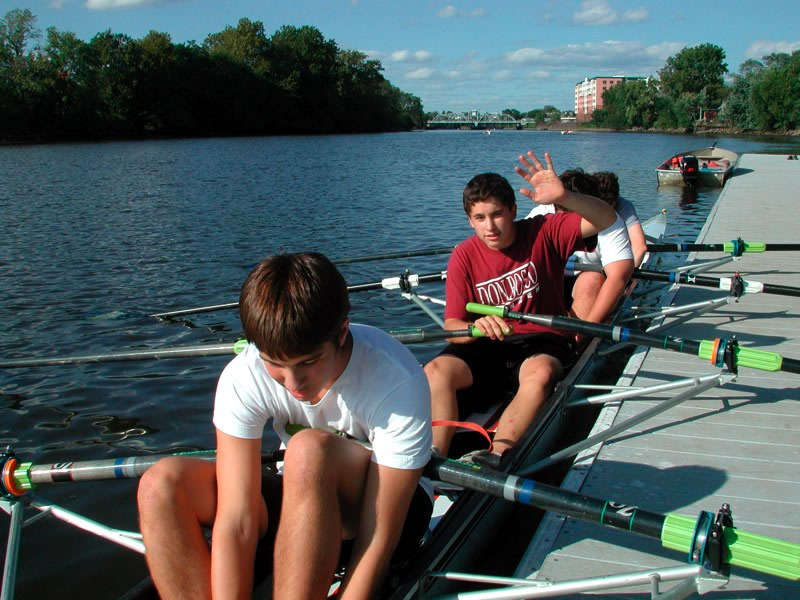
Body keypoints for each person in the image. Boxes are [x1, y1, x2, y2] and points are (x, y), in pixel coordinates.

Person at [137, 252, 432, 599]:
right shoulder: (243, 376)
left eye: (309, 361)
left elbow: (378, 538)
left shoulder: (395, 379)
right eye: (275, 363)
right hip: (306, 492)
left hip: (389, 513)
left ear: (341, 332)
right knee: (160, 486)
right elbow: (237, 518)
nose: (293, 383)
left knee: (307, 449)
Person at [424, 151, 616, 466]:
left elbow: (606, 219)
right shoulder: (463, 255)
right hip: (489, 344)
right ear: (469, 220)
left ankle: (497, 456)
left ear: (514, 210)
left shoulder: (545, 230)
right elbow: (452, 326)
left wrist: (566, 196)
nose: (490, 227)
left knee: (540, 374)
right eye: (480, 218)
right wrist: (474, 328)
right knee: (434, 371)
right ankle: (433, 458)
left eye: (497, 214)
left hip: (542, 339)